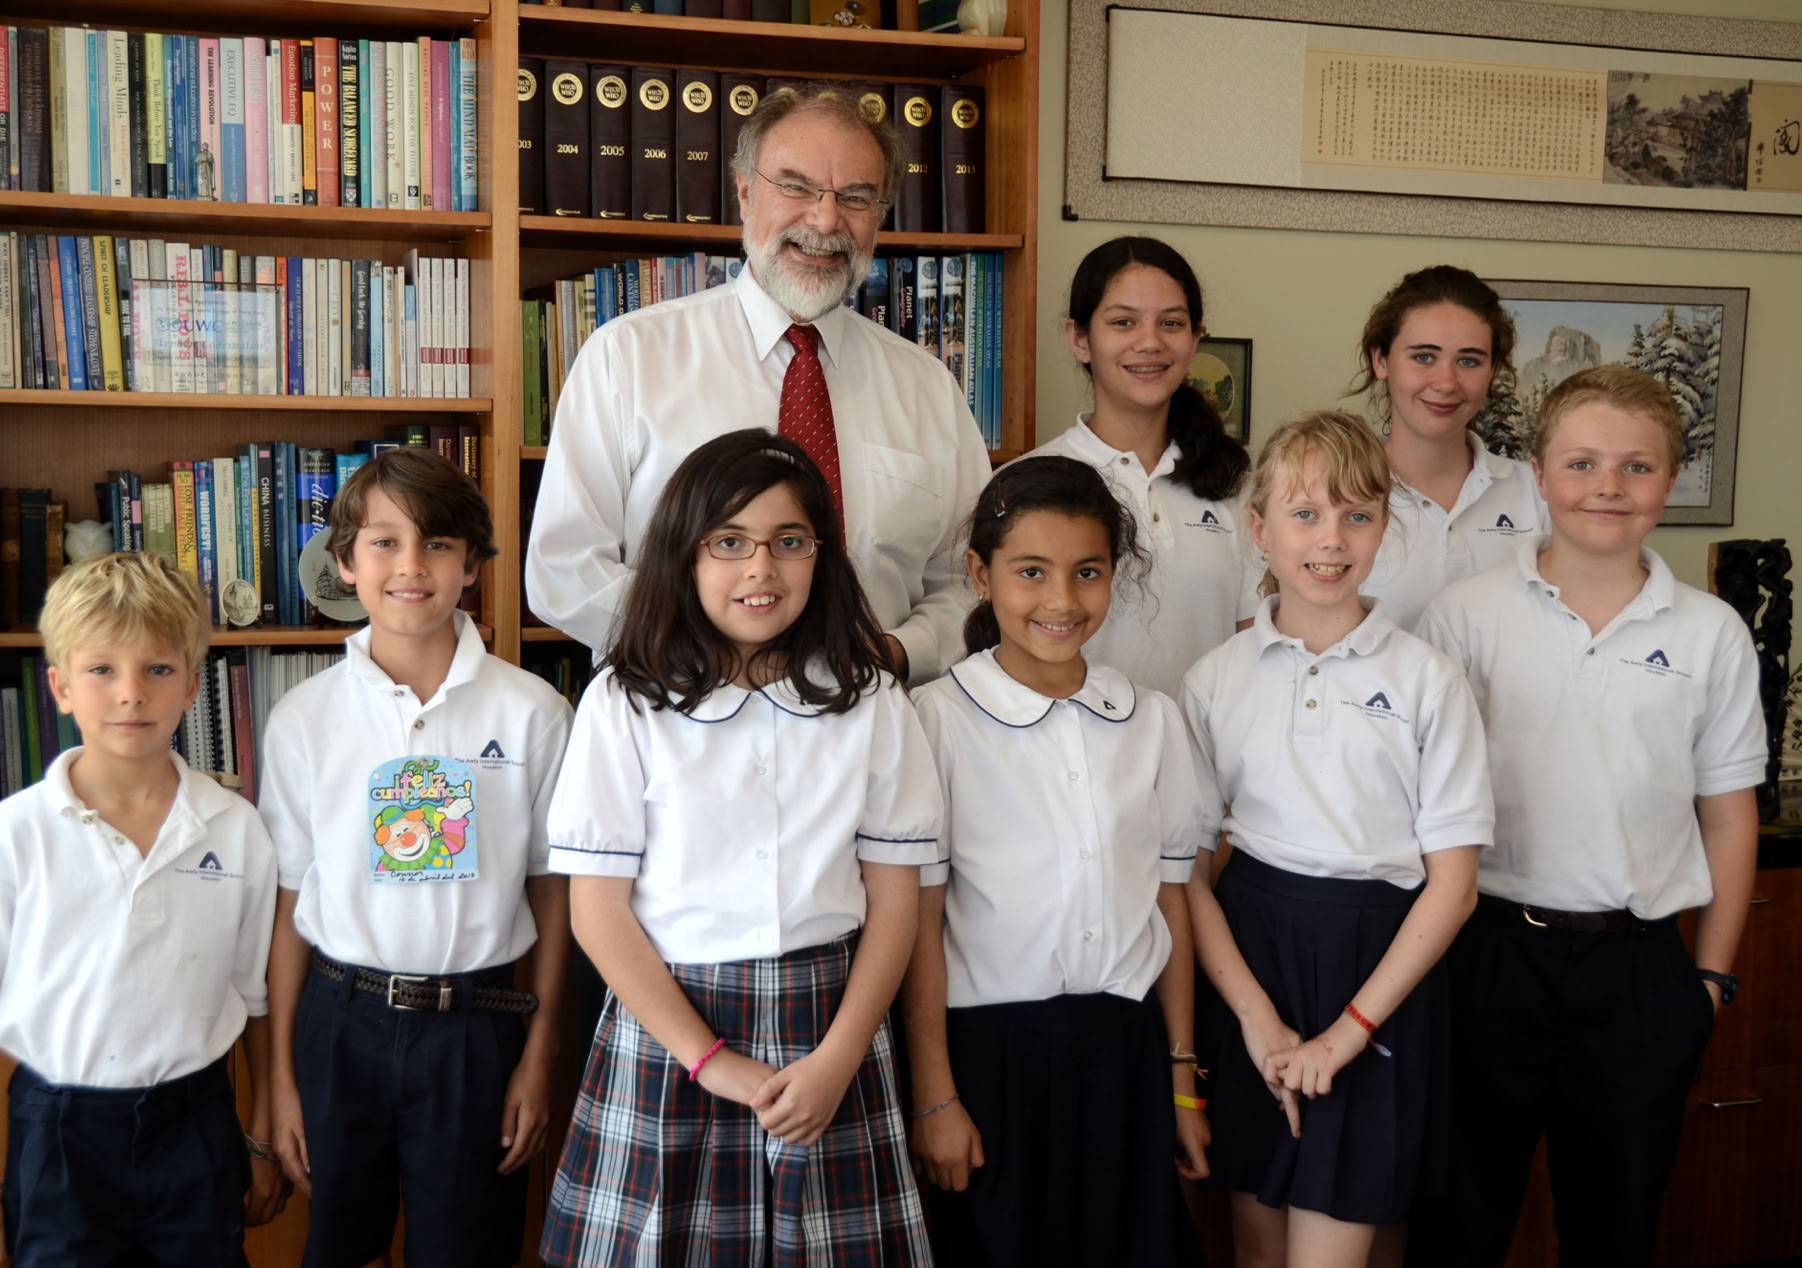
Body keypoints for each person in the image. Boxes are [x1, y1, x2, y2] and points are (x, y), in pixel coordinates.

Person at [539, 430, 938, 1267]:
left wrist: (838, 1060)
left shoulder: (868, 703)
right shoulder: (625, 699)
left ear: (820, 557)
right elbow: (598, 911)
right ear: (683, 555)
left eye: (789, 542)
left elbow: (897, 902)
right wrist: (712, 1062)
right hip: (671, 1029)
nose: (762, 569)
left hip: (828, 1023)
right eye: (729, 543)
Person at [1407, 366, 1765, 1268]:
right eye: (1583, 462)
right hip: (1487, 957)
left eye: (1637, 467)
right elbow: (1422, 805)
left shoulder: (1711, 630)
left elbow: (1727, 816)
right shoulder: (1465, 617)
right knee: (1459, 1223)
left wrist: (1710, 980)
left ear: (1670, 482)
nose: (1609, 486)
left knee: (1616, 1228)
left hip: (1640, 968)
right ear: (1538, 474)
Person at [526, 82, 990, 686]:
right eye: (796, 187)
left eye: (855, 196)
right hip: (682, 724)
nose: (825, 220)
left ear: (880, 215)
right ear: (745, 192)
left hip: (872, 732)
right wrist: (717, 661)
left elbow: (970, 580)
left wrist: (897, 654)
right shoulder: (629, 356)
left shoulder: (928, 388)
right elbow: (564, 568)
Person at [1180, 411, 1493, 1268]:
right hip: (1252, 967)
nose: (1332, 539)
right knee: (1256, 1247)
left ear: (1386, 528)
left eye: (1358, 515)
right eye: (1306, 514)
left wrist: (1346, 1033)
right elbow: (1192, 878)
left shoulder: (1428, 681)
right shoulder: (1214, 680)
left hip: (1377, 974)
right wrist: (1256, 1021)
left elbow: (1454, 885)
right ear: (1260, 530)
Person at [259, 449, 574, 1268]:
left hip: (476, 1032)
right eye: (383, 543)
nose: (410, 566)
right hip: (339, 1023)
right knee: (338, 1247)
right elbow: (290, 905)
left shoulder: (534, 711)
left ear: (471, 563)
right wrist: (280, 1080)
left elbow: (553, 895)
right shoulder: (304, 717)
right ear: (344, 564)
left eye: (437, 544)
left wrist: (538, 1060)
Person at [900, 455, 1209, 1267]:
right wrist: (935, 1096)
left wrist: (1180, 1080)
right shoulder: (933, 722)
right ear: (980, 574)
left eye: (1087, 573)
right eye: (1031, 572)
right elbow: (919, 925)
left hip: (1126, 1055)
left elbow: (1171, 904)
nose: (1062, 601)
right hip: (989, 1060)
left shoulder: (1152, 722)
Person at [0, 553, 284, 1264]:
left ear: (192, 685)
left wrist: (260, 1135)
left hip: (194, 1121)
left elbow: (255, 997)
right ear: (60, 686)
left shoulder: (235, 827)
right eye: (102, 670)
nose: (131, 694)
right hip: (57, 1127)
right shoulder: (15, 833)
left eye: (157, 670)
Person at [1028, 236, 1256, 697]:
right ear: (1079, 339)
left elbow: (1254, 646)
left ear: (1195, 340)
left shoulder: (1240, 486)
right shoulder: (1031, 481)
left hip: (1207, 760)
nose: (1149, 342)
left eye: (1171, 323)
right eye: (1123, 322)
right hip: (1073, 757)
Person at [1347, 265, 1547, 631]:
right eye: (1424, 357)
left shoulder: (1538, 497)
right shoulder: (1334, 493)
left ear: (1492, 372)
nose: (1446, 382)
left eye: (1469, 361)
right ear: (1381, 361)